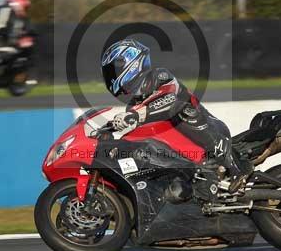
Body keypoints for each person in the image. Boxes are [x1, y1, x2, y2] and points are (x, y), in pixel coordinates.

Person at [100, 38, 252, 193]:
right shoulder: (133, 105)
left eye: (113, 70)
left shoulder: (159, 76)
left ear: (130, 61)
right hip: (182, 148)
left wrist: (135, 115)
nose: (111, 76)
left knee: (181, 108)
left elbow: (169, 99)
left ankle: (236, 165)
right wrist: (108, 131)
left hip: (209, 128)